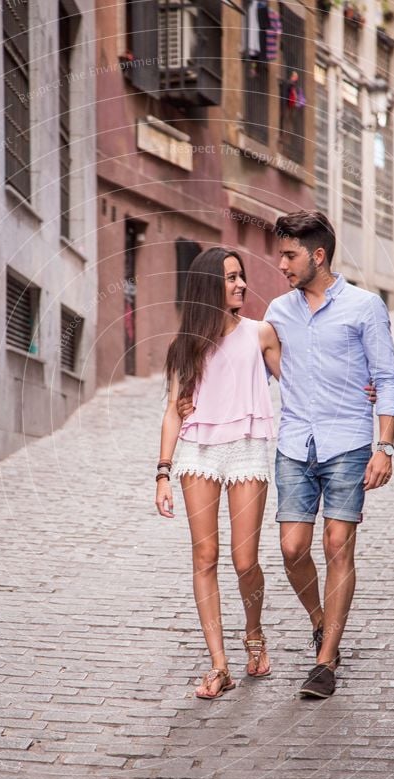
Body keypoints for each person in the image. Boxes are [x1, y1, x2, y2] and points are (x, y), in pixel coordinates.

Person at [264, 210, 394, 698]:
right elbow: (258, 367)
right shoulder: (278, 312)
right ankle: (322, 620)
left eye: (289, 254)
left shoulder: (365, 307)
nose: (281, 263)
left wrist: (384, 446)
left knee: (337, 544)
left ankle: (324, 664)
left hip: (347, 442)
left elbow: (386, 378)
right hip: (295, 443)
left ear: (317, 255)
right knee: (291, 549)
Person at [155, 247, 282, 699]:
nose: (241, 284)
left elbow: (301, 382)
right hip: (198, 453)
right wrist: (163, 472)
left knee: (244, 559)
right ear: (209, 285)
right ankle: (219, 665)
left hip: (247, 449)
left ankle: (254, 634)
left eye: (241, 276)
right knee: (204, 556)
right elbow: (173, 411)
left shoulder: (260, 333)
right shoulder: (185, 345)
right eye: (230, 278)